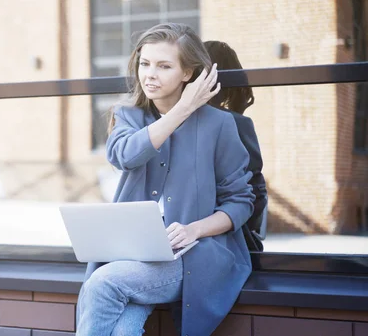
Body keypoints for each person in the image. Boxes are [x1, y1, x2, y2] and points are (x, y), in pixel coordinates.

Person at [75, 23, 255, 336]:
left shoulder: (220, 125)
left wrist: (193, 229)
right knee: (122, 327)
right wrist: (182, 110)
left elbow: (241, 201)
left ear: (188, 73)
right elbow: (125, 155)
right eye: (145, 64)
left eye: (164, 66)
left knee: (104, 283)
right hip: (135, 250)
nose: (150, 75)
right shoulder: (129, 115)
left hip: (195, 254)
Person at [204, 40, 268, 252]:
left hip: (224, 238)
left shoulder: (233, 123)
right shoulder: (173, 121)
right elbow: (257, 189)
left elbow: (252, 190)